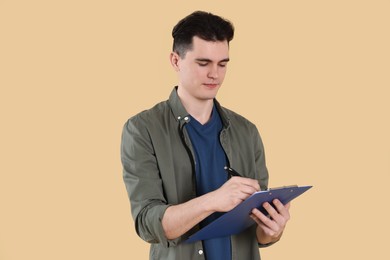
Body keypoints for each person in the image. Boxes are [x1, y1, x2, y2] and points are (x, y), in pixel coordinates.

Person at [121, 11, 291, 260]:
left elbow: (257, 232)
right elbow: (148, 223)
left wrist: (273, 230)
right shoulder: (142, 129)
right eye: (204, 63)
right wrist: (213, 200)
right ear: (175, 61)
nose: (215, 74)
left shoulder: (247, 131)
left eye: (223, 64)